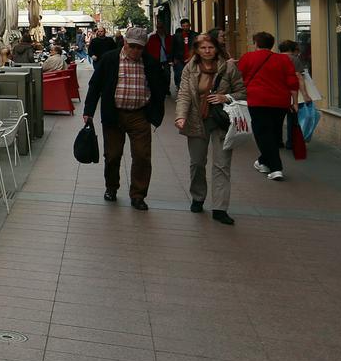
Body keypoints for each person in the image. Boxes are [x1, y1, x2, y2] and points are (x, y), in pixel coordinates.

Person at [83, 26, 168, 210]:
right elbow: (95, 85)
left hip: (140, 115)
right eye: (132, 46)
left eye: (140, 47)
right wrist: (88, 111)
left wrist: (155, 113)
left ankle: (138, 195)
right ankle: (111, 187)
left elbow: (159, 87)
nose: (135, 51)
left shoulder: (149, 62)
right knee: (112, 155)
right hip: (114, 114)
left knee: (142, 156)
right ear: (125, 43)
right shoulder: (110, 59)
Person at [175, 34, 245, 225]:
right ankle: (198, 197)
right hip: (196, 120)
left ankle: (220, 208)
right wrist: (181, 116)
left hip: (222, 121)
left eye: (211, 47)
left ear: (216, 48)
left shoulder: (228, 67)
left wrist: (226, 97)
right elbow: (184, 94)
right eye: (203, 48)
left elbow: (243, 92)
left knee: (222, 165)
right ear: (197, 50)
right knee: (197, 163)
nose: (207, 51)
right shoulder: (190, 68)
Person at [237, 31, 299, 180]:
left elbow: (240, 77)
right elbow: (292, 82)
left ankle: (276, 168)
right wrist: (295, 102)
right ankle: (263, 162)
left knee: (263, 133)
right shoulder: (283, 60)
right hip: (281, 102)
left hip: (257, 100)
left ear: (256, 43)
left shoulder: (248, 57)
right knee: (274, 132)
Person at [171, 18, 198, 89]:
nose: (185, 27)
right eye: (184, 26)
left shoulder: (195, 35)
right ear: (181, 26)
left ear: (190, 25)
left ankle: (190, 88)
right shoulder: (176, 36)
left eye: (187, 26)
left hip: (191, 58)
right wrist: (173, 59)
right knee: (180, 74)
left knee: (191, 74)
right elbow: (173, 48)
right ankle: (180, 88)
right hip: (180, 59)